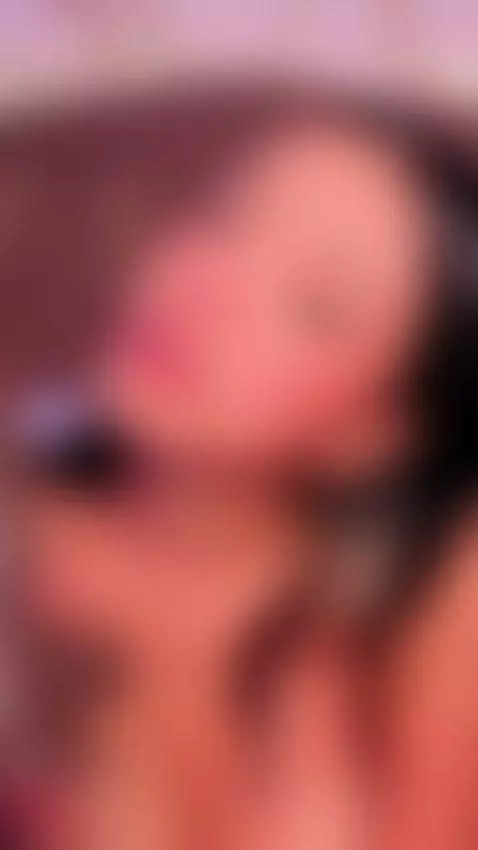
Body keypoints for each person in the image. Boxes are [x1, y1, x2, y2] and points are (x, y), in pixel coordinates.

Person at [21, 92, 477, 849]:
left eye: (311, 304)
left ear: (376, 434)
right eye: (224, 218)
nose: (209, 288)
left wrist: (168, 672)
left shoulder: (308, 700)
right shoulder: (50, 480)